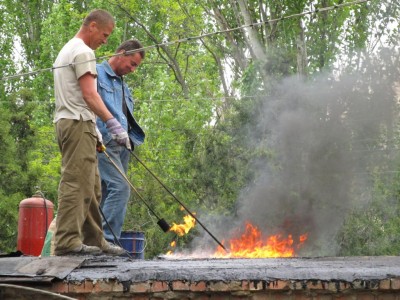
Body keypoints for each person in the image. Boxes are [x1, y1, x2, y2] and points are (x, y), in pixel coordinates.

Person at [53, 9, 126, 256]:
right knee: (76, 183)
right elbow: (89, 94)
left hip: (77, 122)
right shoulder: (83, 51)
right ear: (92, 26)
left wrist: (94, 129)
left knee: (93, 185)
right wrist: (112, 123)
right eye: (104, 35)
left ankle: (95, 240)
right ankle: (67, 242)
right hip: (75, 123)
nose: (105, 41)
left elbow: (78, 96)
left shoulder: (68, 49)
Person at [96, 39, 145, 243]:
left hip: (123, 146)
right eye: (132, 64)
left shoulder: (125, 87)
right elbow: (88, 102)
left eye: (136, 67)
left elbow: (125, 116)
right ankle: (107, 241)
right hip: (103, 143)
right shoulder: (96, 73)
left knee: (108, 192)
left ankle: (95, 241)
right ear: (122, 53)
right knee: (121, 188)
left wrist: (129, 139)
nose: (132, 70)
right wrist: (108, 129)